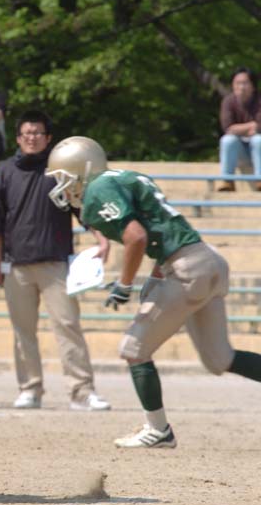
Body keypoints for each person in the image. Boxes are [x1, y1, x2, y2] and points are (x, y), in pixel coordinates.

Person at [45, 136, 261, 448]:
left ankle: (158, 430)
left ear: (81, 170)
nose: (62, 188)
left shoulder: (98, 189)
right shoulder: (125, 177)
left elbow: (136, 237)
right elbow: (163, 232)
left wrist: (124, 284)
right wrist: (157, 274)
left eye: (64, 179)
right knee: (220, 359)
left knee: (134, 349)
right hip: (206, 259)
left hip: (187, 269)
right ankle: (159, 430)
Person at [0, 111, 111, 411]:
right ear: (18, 138)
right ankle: (30, 389)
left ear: (49, 138)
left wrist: (102, 238)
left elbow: (81, 207)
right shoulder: (4, 172)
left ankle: (82, 391)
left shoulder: (60, 170)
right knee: (23, 332)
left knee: (68, 326)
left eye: (38, 133)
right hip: (15, 264)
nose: (32, 137)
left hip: (56, 263)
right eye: (27, 133)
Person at [218, 67, 261, 191]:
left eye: (245, 83)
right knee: (227, 140)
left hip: (257, 148)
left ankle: (259, 179)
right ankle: (227, 181)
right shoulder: (228, 101)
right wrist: (251, 126)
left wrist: (238, 129)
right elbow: (227, 128)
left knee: (258, 140)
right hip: (239, 151)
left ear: (253, 85)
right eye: (237, 83)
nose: (241, 87)